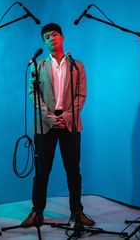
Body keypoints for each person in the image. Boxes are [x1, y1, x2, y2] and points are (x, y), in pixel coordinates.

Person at [21, 23, 95, 227]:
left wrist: (68, 117)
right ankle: (37, 212)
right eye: (46, 37)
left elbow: (81, 94)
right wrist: (50, 118)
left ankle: (76, 212)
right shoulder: (37, 66)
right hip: (45, 126)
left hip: (70, 125)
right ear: (43, 42)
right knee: (41, 171)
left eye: (54, 34)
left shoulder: (77, 65)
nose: (51, 38)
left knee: (73, 171)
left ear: (62, 37)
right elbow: (33, 94)